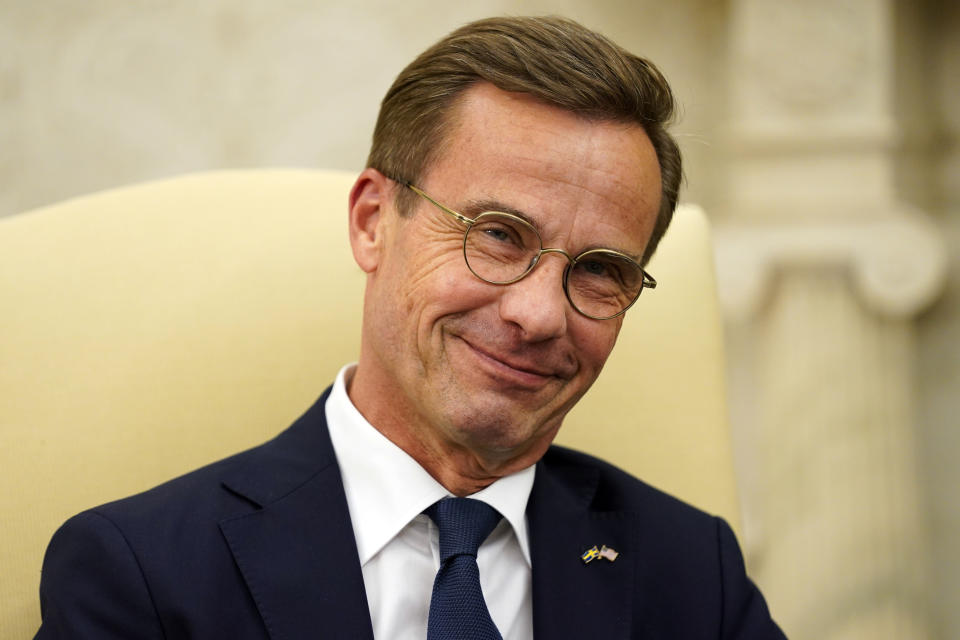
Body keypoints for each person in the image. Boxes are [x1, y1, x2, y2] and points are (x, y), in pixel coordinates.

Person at [35, 15, 785, 639]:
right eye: (497, 234)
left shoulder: (692, 573)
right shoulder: (139, 573)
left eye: (598, 270)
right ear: (372, 223)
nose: (538, 313)